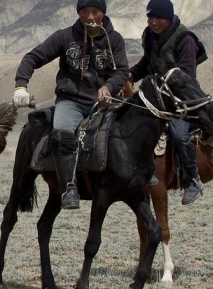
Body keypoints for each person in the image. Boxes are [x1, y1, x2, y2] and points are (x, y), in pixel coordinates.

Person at [12, 0, 129, 209]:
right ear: (78, 13)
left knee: (133, 127)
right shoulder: (65, 37)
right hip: (71, 101)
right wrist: (21, 86)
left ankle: (141, 175)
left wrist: (108, 87)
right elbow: (33, 57)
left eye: (95, 11)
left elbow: (121, 71)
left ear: (103, 12)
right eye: (85, 12)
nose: (91, 17)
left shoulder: (115, 39)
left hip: (104, 102)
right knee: (62, 133)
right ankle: (68, 188)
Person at [129, 0, 208, 205]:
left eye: (158, 18)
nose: (153, 22)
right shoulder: (150, 36)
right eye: (150, 17)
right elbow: (147, 62)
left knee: (180, 135)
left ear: (168, 18)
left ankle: (193, 179)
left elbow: (187, 75)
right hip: (158, 96)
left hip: (182, 99)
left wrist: (156, 82)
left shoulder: (185, 39)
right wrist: (130, 75)